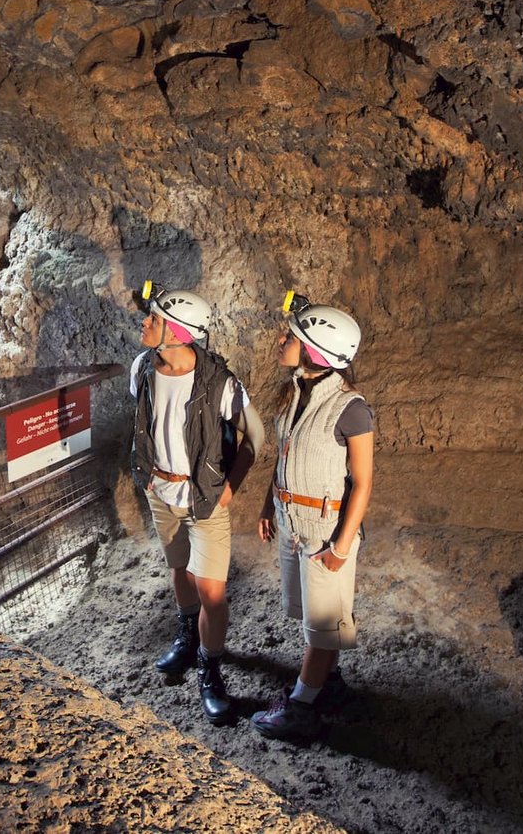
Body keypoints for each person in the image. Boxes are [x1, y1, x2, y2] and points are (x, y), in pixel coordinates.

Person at [130, 282, 262, 725]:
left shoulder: (219, 383)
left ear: (178, 331)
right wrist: (151, 479)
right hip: (162, 494)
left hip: (203, 499)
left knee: (213, 593)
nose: (145, 323)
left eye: (154, 318)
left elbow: (256, 438)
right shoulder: (142, 370)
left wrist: (230, 488)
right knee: (179, 569)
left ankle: (210, 666)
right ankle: (188, 635)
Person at [252, 296, 373, 741]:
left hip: (324, 530)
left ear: (314, 349)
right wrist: (269, 505)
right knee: (308, 612)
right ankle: (327, 683)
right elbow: (286, 456)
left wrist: (341, 547)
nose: (282, 340)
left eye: (291, 336)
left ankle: (302, 706)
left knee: (323, 624)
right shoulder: (296, 394)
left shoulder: (351, 408)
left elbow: (361, 483)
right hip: (293, 519)